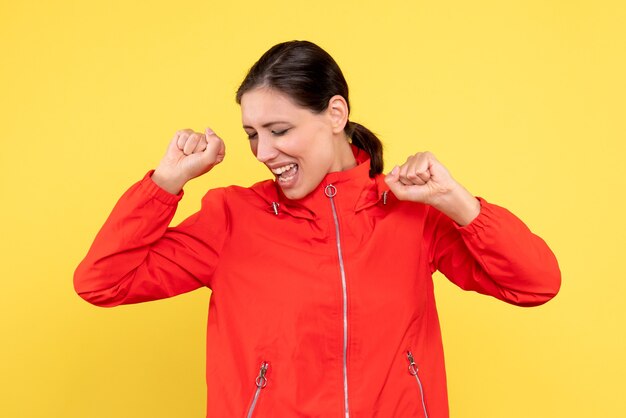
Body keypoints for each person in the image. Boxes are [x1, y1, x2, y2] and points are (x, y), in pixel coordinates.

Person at [74, 40, 561, 418]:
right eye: (252, 135)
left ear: (335, 114)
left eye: (279, 131)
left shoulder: (412, 214)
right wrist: (166, 182)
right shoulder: (232, 218)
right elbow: (101, 281)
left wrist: (459, 203)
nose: (263, 152)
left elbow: (536, 282)